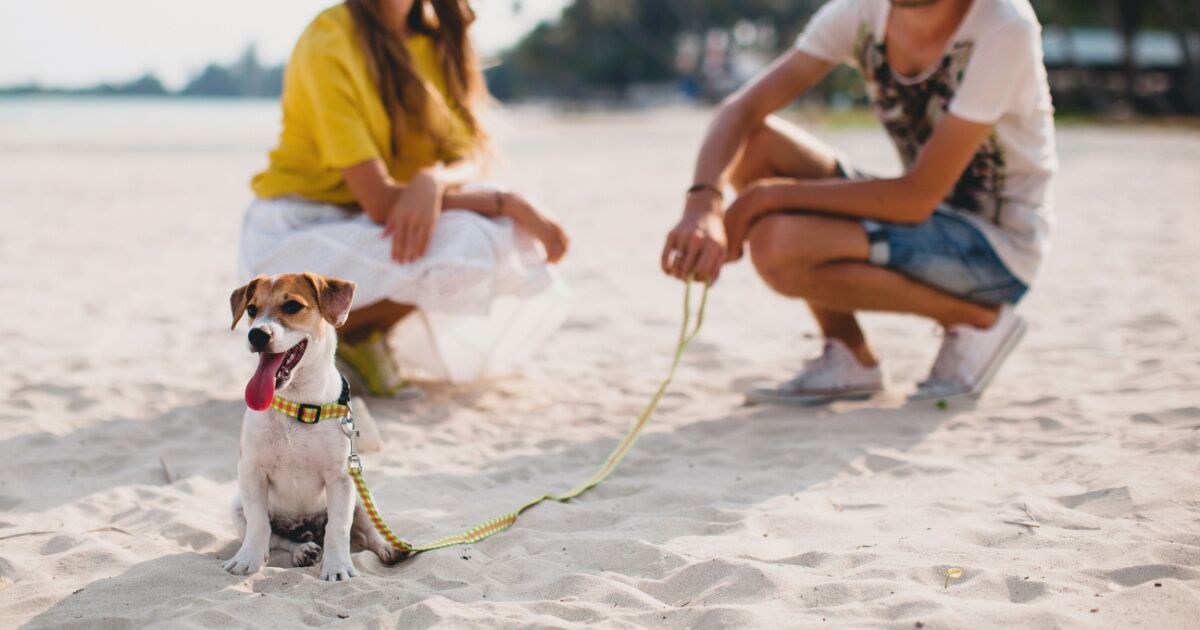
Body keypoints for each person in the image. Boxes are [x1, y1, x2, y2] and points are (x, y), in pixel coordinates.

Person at [661, 0, 1056, 404]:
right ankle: (850, 355)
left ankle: (980, 321)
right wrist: (702, 206)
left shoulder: (1003, 26)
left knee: (777, 246)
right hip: (925, 210)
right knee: (756, 147)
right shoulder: (862, 12)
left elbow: (915, 198)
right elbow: (741, 109)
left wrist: (764, 198)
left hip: (997, 248)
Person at [239, 0, 570, 396]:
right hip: (299, 227)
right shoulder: (329, 38)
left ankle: (358, 338)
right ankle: (335, 337)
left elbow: (464, 154)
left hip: (367, 222)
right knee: (484, 229)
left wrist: (433, 178)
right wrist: (508, 200)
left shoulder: (434, 39)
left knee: (500, 234)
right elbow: (379, 198)